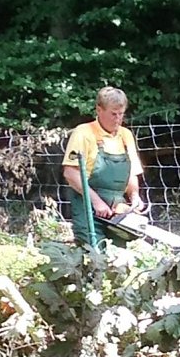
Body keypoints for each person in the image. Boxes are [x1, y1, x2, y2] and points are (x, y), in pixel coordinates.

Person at [62, 86, 146, 246]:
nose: (118, 119)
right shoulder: (83, 133)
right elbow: (70, 173)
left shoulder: (126, 135)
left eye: (121, 114)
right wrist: (96, 202)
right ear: (99, 110)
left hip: (117, 207)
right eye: (113, 114)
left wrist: (135, 197)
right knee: (94, 252)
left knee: (122, 253)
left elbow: (132, 173)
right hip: (87, 206)